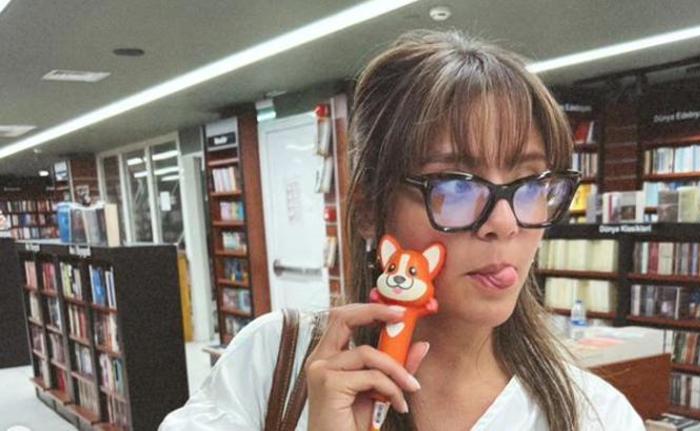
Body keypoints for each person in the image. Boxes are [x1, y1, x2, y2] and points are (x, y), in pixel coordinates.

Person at [160, 29, 645, 431]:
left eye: (531, 184)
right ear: (370, 210)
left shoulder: (595, 416)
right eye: (455, 186)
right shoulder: (275, 362)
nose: (504, 223)